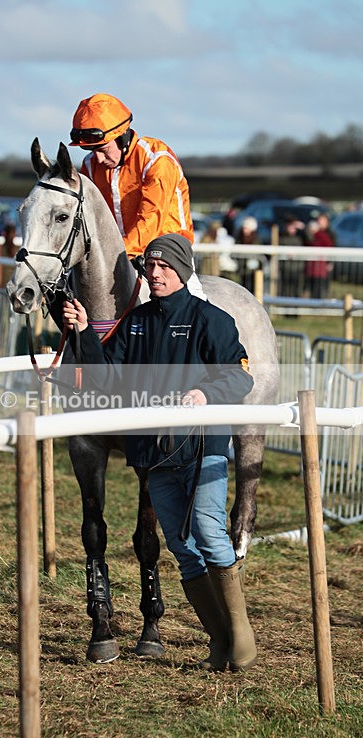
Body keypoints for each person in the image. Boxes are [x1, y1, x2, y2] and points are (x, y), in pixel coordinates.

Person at [62, 233, 257, 672]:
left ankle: (241, 635)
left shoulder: (212, 320)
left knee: (208, 533)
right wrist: (84, 332)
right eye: (150, 266)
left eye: (164, 266)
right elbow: (106, 378)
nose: (155, 273)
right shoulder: (135, 322)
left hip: (202, 448)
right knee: (181, 548)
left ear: (183, 270)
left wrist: (205, 395)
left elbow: (240, 375)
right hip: (154, 454)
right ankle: (219, 641)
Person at [69, 93, 194, 260]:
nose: (98, 159)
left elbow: (150, 219)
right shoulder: (90, 165)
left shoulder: (156, 160)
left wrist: (116, 254)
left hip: (168, 254)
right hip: (120, 254)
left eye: (102, 150)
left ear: (122, 138)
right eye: (91, 150)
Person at [305, 212, 336, 298]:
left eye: (322, 220)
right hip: (313, 266)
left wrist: (330, 262)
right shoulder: (312, 233)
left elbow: (332, 248)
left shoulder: (330, 234)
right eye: (319, 220)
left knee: (322, 287)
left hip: (323, 266)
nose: (320, 222)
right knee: (313, 288)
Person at [278, 215, 305, 298]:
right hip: (285, 268)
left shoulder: (300, 236)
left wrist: (303, 227)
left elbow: (310, 239)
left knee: (297, 291)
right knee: (285, 291)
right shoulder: (281, 237)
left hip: (297, 268)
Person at [235, 216, 260, 291]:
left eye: (246, 228)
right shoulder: (239, 238)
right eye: (244, 228)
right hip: (241, 270)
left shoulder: (256, 241)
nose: (244, 230)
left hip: (251, 272)